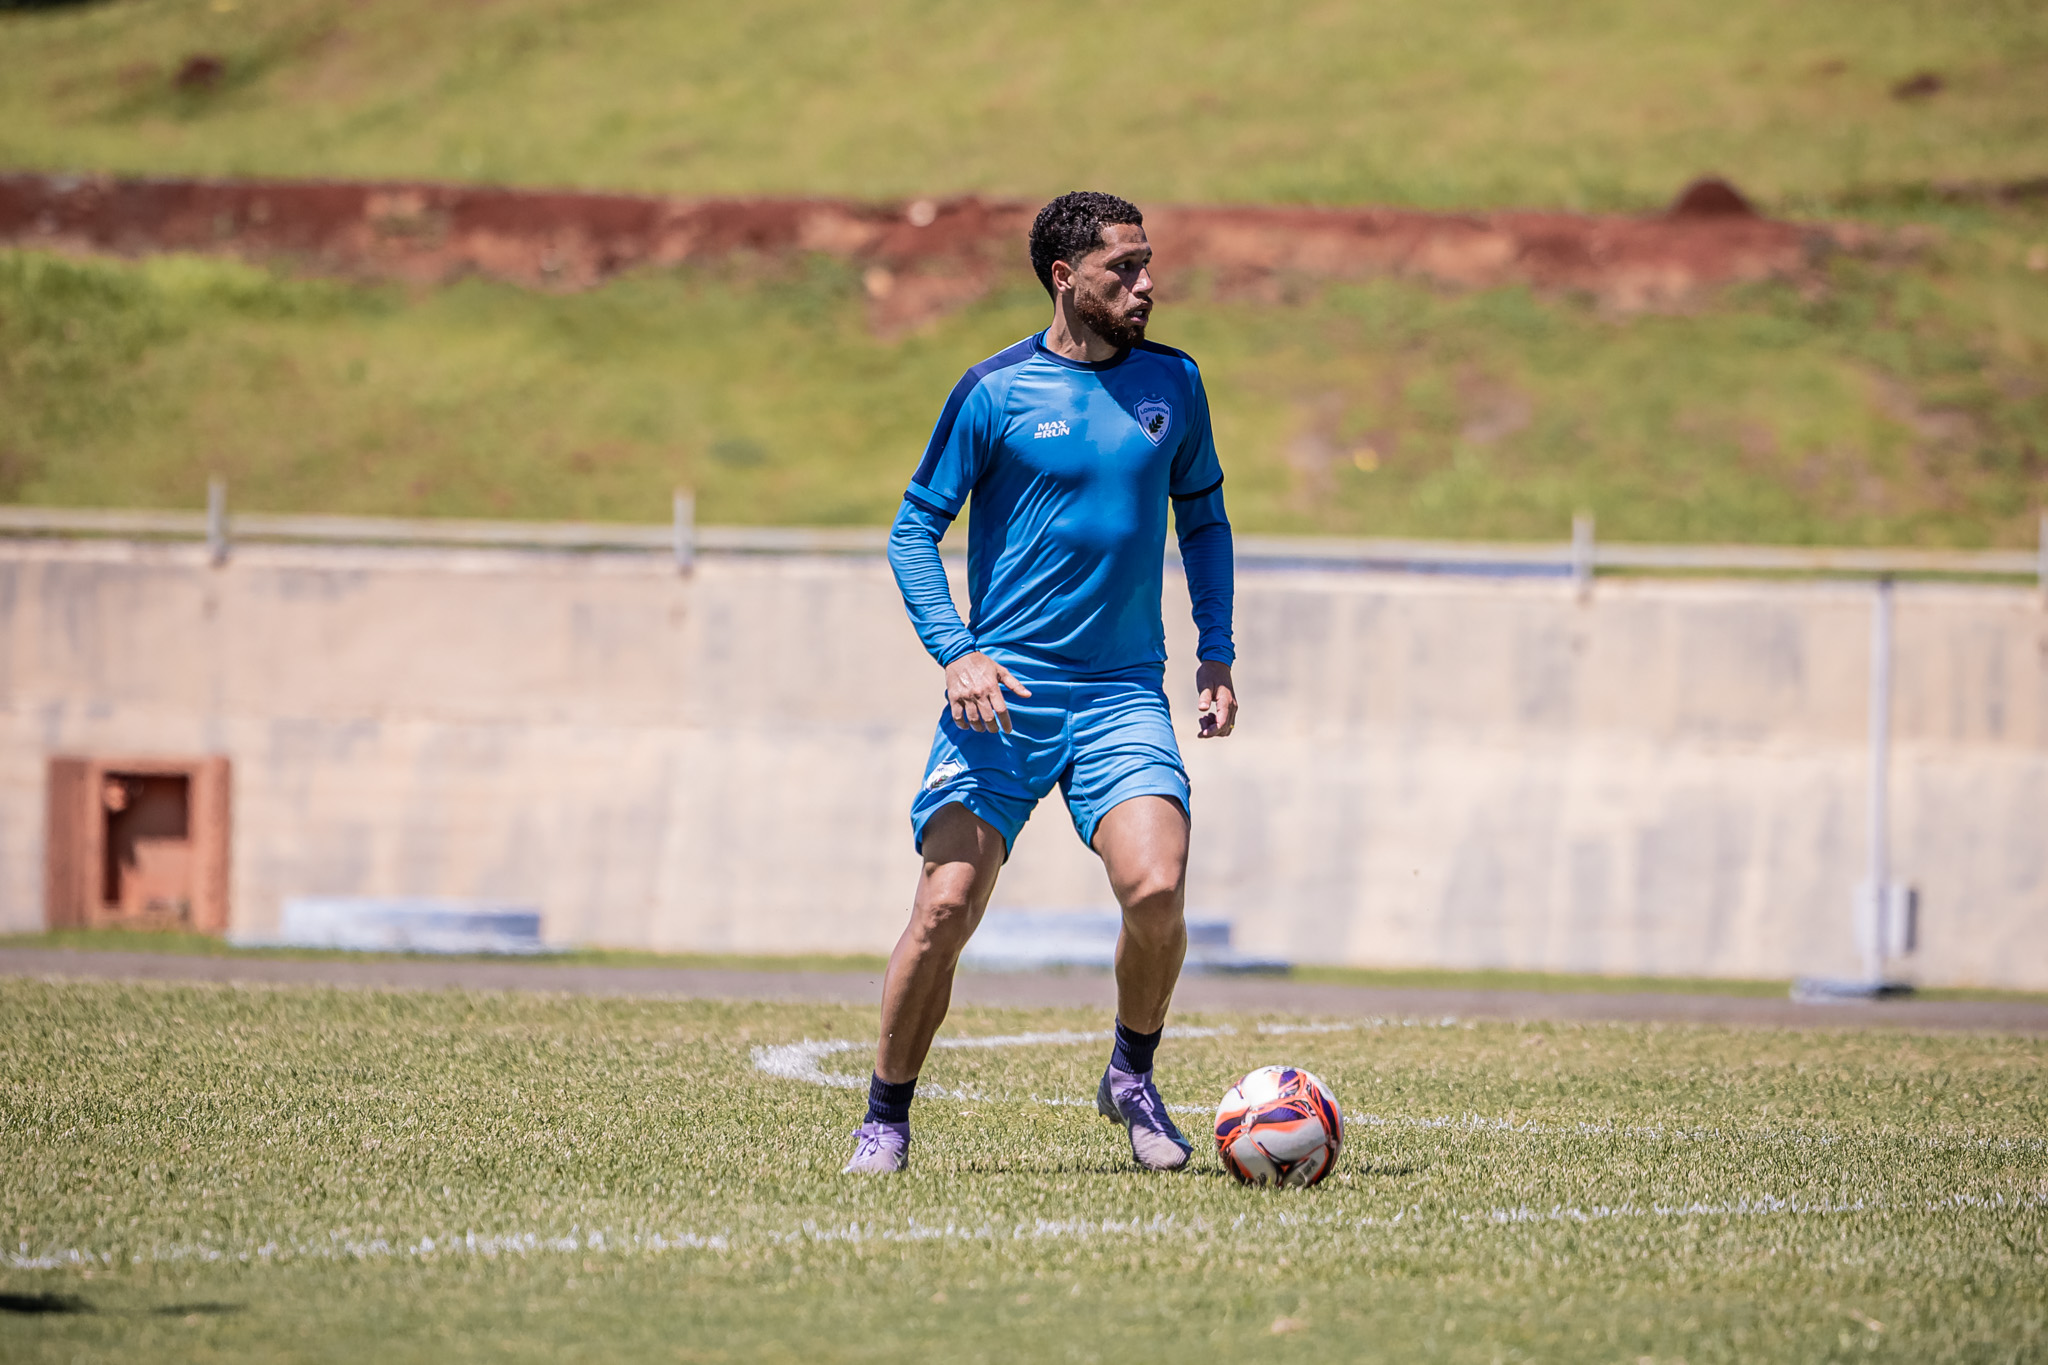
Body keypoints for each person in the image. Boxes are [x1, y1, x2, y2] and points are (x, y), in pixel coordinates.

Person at [845, 191, 1239, 1175]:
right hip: (1002, 696)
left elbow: (1205, 522)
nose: (1145, 284)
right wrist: (955, 649)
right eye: (1123, 268)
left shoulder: (1174, 382)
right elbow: (909, 532)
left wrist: (1216, 651)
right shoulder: (992, 391)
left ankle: (1130, 1073)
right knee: (944, 905)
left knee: (1156, 887)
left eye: (1147, 263)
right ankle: (884, 1120)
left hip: (1118, 695)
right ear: (1063, 276)